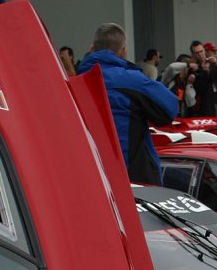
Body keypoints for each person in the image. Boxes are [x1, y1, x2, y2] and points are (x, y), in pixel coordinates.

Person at [76, 23, 178, 184]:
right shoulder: (132, 80)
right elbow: (169, 108)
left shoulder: (72, 84)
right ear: (123, 51)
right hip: (133, 179)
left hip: (89, 179)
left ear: (91, 49)